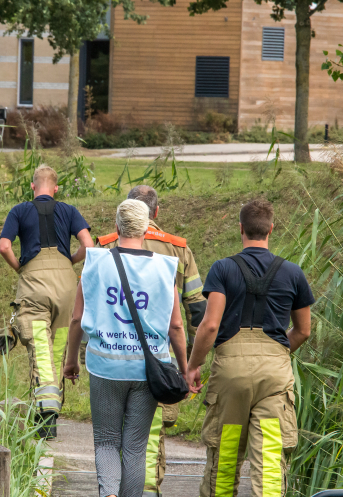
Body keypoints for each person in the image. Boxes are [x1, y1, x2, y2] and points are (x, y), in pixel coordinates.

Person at [184, 199, 314, 497]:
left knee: (226, 456)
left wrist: (194, 365)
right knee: (269, 464)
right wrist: (276, 354)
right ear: (271, 228)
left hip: (231, 374)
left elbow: (210, 325)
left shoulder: (223, 269)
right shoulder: (293, 273)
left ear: (240, 228)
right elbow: (304, 330)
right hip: (274, 376)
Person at [63, 199, 189, 497]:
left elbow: (77, 318)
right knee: (135, 446)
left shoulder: (95, 262)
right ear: (146, 228)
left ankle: (108, 494)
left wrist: (71, 361)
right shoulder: (164, 268)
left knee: (107, 441)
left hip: (105, 365)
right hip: (149, 369)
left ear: (116, 226)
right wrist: (183, 369)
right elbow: (176, 327)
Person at [96, 185, 206, 497]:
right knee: (146, 435)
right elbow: (195, 309)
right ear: (154, 214)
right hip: (160, 359)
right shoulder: (179, 249)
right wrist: (191, 363)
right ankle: (144, 490)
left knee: (109, 437)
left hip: (111, 354)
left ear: (122, 215)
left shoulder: (104, 247)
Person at [0, 164, 93, 438]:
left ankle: (45, 418)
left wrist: (20, 267)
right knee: (60, 348)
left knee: (41, 348)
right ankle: (53, 410)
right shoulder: (69, 210)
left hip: (35, 286)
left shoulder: (19, 210)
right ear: (56, 188)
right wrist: (70, 262)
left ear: (32, 187)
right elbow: (89, 245)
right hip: (66, 286)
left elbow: (4, 246)